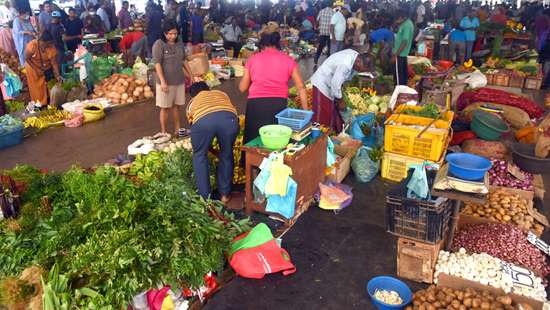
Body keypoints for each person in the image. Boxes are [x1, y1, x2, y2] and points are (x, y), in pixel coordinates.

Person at [239, 28, 308, 146]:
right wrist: (306, 112)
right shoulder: (288, 60)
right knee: (276, 139)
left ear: (262, 45)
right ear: (277, 44)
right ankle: (274, 163)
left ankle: (252, 163)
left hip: (255, 105)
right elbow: (301, 87)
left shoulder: (252, 59)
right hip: (278, 105)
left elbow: (242, 88)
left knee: (253, 141)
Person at [187, 82, 238, 202]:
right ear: (208, 89)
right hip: (229, 120)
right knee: (226, 154)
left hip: (203, 121)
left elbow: (197, 130)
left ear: (193, 95)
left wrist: (206, 148)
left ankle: (206, 199)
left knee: (199, 156)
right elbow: (228, 109)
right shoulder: (221, 93)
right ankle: (225, 195)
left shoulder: (192, 103)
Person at [310, 49, 369, 132]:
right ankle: (318, 136)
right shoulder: (345, 64)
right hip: (322, 84)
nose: (358, 71)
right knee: (322, 114)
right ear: (358, 61)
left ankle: (332, 132)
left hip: (331, 85)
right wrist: (341, 100)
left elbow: (342, 79)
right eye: (360, 69)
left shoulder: (356, 56)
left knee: (332, 111)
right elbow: (335, 83)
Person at [152, 20, 193, 134]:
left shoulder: (179, 42)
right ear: (164, 33)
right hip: (165, 82)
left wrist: (191, 75)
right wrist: (163, 82)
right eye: (170, 34)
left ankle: (177, 130)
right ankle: (164, 132)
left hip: (179, 80)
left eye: (175, 33)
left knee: (176, 106)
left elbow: (183, 60)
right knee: (165, 108)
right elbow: (157, 64)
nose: (173, 36)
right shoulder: (159, 44)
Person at [25, 31, 61, 107]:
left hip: (46, 67)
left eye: (50, 43)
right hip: (32, 66)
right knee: (37, 88)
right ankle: (39, 104)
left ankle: (49, 101)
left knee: (50, 85)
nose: (49, 45)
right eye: (47, 44)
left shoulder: (51, 47)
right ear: (42, 41)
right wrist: (36, 69)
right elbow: (27, 58)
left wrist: (58, 75)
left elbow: (54, 63)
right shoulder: (32, 45)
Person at [392, 10, 414, 86]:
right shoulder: (406, 23)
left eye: (397, 20)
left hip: (400, 53)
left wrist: (396, 55)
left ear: (401, 17)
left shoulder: (406, 25)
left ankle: (398, 91)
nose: (396, 22)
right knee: (403, 74)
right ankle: (403, 89)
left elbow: (405, 41)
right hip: (402, 53)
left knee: (398, 76)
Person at [314, 1, 333, 65]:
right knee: (329, 47)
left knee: (321, 46)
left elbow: (317, 20)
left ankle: (316, 58)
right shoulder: (333, 12)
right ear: (331, 5)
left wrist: (317, 27)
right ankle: (328, 61)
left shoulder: (321, 11)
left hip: (322, 32)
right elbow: (333, 24)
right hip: (330, 33)